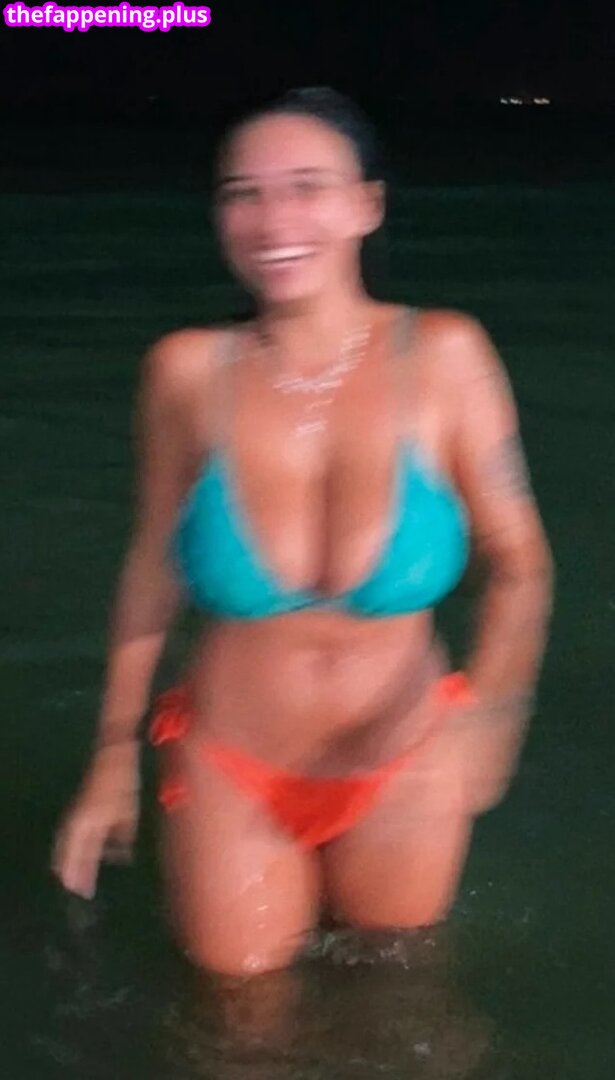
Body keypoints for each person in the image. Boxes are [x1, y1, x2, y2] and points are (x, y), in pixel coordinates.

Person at [52, 87, 554, 978]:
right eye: (241, 193)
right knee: (239, 1018)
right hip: (232, 765)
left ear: (368, 204)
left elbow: (519, 565)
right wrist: (111, 754)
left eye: (306, 187)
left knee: (401, 994)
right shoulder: (184, 373)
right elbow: (152, 566)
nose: (272, 219)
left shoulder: (445, 356)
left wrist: (490, 720)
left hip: (406, 759)